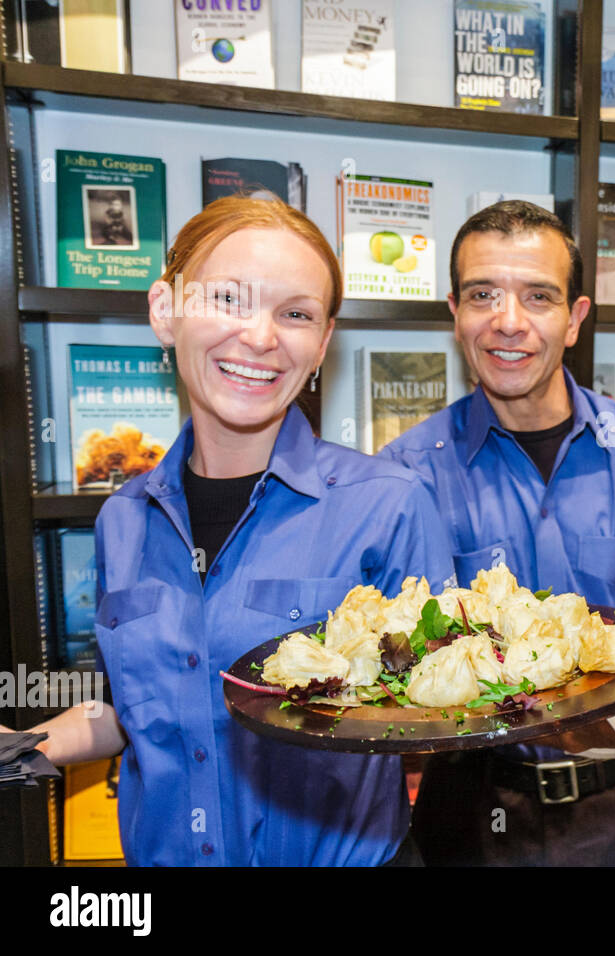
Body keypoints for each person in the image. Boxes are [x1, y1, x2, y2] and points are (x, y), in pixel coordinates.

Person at [4, 196, 454, 866]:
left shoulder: (387, 503)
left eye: (295, 313)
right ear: (165, 310)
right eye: (229, 300)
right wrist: (15, 753)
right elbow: (135, 711)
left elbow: (439, 713)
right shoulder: (121, 521)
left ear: (321, 343)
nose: (261, 337)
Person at [381, 200, 615, 866]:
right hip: (467, 817)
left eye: (539, 296)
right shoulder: (402, 475)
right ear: (455, 313)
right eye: (483, 295)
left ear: (575, 319)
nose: (509, 322)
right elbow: (394, 680)